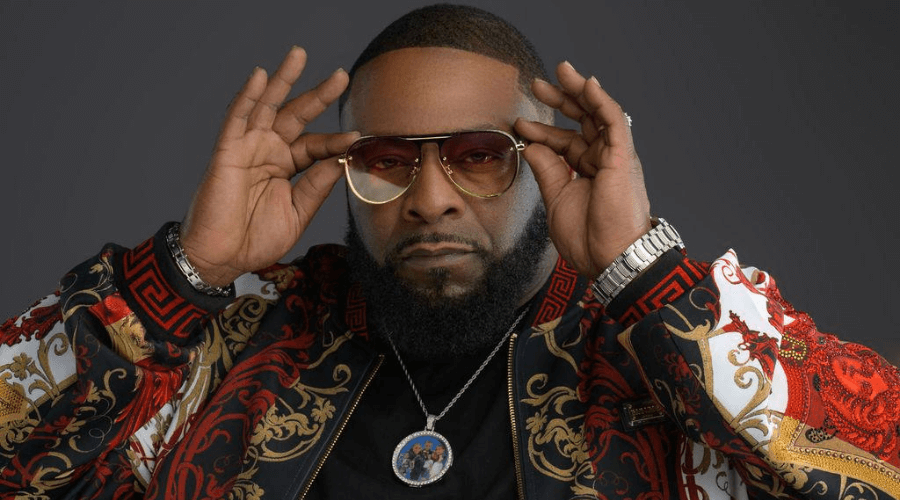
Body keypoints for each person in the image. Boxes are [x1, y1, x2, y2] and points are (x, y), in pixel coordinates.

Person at [0, 4, 897, 499]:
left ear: (545, 160)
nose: (429, 199)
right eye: (387, 161)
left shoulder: (651, 348)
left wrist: (642, 270)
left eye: (475, 156)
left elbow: (875, 465)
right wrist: (186, 275)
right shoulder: (236, 342)